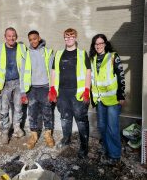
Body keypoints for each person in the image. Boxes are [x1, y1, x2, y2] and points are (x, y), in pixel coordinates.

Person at [49, 28, 91, 159]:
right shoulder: (59, 53)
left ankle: (84, 146)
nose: (69, 39)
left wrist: (87, 90)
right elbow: (54, 72)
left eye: (71, 36)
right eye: (66, 37)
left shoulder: (82, 53)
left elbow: (88, 72)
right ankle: (66, 139)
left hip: (77, 94)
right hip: (62, 93)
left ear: (76, 38)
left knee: (81, 120)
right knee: (65, 118)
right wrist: (52, 89)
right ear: (64, 38)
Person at [89, 34, 125, 165]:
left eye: (100, 43)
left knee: (112, 128)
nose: (98, 46)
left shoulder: (113, 56)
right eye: (96, 44)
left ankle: (115, 156)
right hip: (99, 100)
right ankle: (107, 148)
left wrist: (121, 95)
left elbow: (121, 76)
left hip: (112, 99)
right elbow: (93, 80)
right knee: (102, 126)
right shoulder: (92, 59)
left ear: (105, 44)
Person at [0, 27, 27, 144]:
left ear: (16, 36)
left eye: (13, 36)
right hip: (5, 83)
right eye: (9, 36)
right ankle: (5, 131)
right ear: (5, 37)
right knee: (4, 109)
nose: (11, 38)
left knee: (18, 107)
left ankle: (17, 127)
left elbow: (28, 64)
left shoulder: (22, 48)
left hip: (18, 82)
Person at [21, 30, 55, 149]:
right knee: (32, 113)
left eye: (35, 38)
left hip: (45, 87)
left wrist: (53, 89)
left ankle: (48, 134)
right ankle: (34, 135)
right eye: (30, 40)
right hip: (32, 89)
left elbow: (53, 72)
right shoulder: (26, 54)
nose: (33, 41)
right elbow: (22, 73)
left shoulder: (48, 52)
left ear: (39, 38)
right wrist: (23, 92)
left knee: (47, 112)